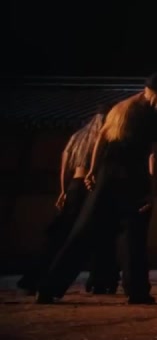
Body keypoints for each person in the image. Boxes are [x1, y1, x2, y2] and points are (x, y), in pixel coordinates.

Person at [36, 74, 157, 305]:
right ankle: (137, 291)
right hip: (134, 179)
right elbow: (153, 156)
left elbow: (101, 139)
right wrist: (151, 190)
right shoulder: (156, 117)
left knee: (83, 233)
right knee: (133, 237)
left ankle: (49, 287)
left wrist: (93, 170)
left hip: (107, 177)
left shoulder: (120, 109)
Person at [19, 106, 119, 295]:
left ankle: (32, 279)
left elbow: (64, 166)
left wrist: (64, 191)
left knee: (60, 234)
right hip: (94, 187)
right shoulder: (107, 136)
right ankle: (100, 280)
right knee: (100, 234)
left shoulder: (78, 137)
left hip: (75, 185)